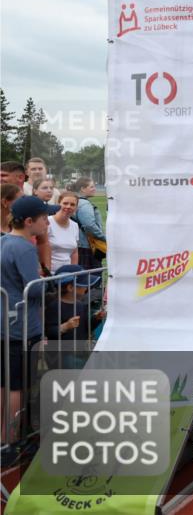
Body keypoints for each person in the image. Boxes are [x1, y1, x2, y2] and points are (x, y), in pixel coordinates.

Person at [1, 196, 58, 443]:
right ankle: (11, 441)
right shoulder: (24, 247)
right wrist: (48, 282)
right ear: (28, 221)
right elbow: (33, 289)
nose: (48, 223)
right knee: (17, 386)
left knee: (4, 383)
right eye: (44, 218)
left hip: (6, 321)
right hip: (22, 326)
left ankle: (3, 438)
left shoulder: (4, 241)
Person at [45, 264, 105, 368]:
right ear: (70, 287)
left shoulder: (81, 305)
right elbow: (50, 331)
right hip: (62, 355)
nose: (87, 287)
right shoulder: (55, 306)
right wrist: (65, 326)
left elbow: (86, 327)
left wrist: (96, 319)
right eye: (83, 284)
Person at [72, 177, 106, 270]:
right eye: (91, 187)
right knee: (92, 276)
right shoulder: (85, 204)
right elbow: (89, 226)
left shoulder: (76, 202)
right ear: (83, 189)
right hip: (87, 246)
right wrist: (103, 238)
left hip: (81, 244)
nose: (94, 189)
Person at [48, 190, 80, 271]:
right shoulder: (47, 223)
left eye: (72, 205)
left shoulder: (75, 226)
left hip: (67, 275)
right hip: (49, 274)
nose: (68, 206)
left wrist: (74, 272)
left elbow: (74, 252)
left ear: (76, 208)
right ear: (59, 204)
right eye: (65, 203)